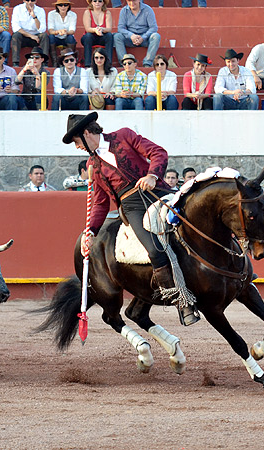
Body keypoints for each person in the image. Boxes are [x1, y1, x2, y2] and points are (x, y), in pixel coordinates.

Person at [62, 112, 199, 326]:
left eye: (77, 141)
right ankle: (181, 301)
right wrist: (90, 231)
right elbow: (100, 203)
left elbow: (158, 152)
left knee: (198, 220)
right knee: (154, 249)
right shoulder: (93, 165)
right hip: (132, 206)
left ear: (87, 133)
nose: (77, 147)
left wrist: (152, 175)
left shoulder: (123, 136)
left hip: (158, 191)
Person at [114, 0, 160, 68]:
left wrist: (143, 37)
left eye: (134, 0)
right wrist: (131, 35)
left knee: (156, 36)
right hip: (130, 39)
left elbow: (153, 28)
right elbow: (120, 28)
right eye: (129, 1)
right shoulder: (124, 11)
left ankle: (147, 62)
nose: (132, 3)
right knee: (117, 36)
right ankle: (124, 62)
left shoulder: (148, 9)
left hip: (145, 39)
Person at [10, 0, 49, 68]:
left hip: (36, 37)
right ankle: (15, 62)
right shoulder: (17, 9)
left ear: (36, 1)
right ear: (24, 0)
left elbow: (42, 29)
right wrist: (31, 36)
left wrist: (34, 17)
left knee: (44, 36)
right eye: (27, 0)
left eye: (32, 0)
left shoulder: (40, 10)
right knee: (16, 35)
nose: (30, 2)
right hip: (23, 36)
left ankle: (44, 62)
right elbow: (16, 28)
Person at [80, 0, 113, 69]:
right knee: (88, 36)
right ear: (91, 2)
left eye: (100, 1)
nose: (97, 3)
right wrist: (95, 30)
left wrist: (102, 29)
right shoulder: (87, 12)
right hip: (90, 37)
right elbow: (87, 28)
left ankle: (108, 63)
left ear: (103, 3)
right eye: (95, 1)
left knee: (109, 36)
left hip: (102, 36)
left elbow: (109, 28)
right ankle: (87, 64)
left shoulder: (107, 13)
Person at [16, 46, 49, 110]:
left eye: (37, 57)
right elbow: (17, 81)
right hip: (25, 99)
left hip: (37, 100)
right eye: (32, 57)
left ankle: (40, 115)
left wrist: (37, 74)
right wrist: (24, 69)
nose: (34, 59)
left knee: (39, 95)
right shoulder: (25, 68)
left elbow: (39, 89)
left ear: (42, 59)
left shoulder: (46, 72)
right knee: (17, 99)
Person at [47, 0, 76, 68]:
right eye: (60, 5)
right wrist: (58, 32)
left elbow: (72, 30)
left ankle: (69, 59)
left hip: (67, 36)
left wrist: (65, 32)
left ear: (68, 6)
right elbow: (50, 30)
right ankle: (55, 62)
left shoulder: (73, 15)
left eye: (65, 5)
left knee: (71, 38)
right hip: (56, 37)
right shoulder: (51, 14)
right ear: (57, 6)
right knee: (51, 37)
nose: (63, 7)